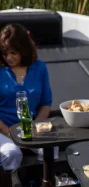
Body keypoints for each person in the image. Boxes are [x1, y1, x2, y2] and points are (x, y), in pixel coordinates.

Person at [0, 24, 53, 185]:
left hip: (31, 127)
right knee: (11, 153)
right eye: (5, 53)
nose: (9, 58)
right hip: (3, 130)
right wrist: (9, 132)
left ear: (23, 49)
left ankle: (43, 182)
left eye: (13, 53)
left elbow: (45, 103)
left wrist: (35, 127)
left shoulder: (40, 68)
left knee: (51, 150)